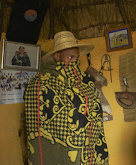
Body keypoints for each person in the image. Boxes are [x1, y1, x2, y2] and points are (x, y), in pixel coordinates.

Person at [24, 31, 109, 165]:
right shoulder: (43, 82)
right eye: (70, 57)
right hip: (63, 146)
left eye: (76, 58)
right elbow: (42, 115)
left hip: (89, 145)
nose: (74, 61)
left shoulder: (84, 80)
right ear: (57, 57)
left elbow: (92, 106)